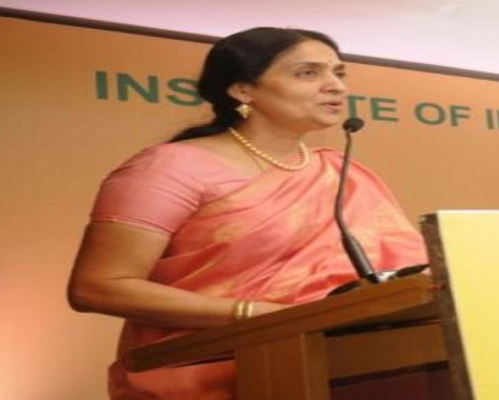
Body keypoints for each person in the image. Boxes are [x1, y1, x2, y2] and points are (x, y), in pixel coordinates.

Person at [67, 26, 428, 400]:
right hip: (210, 372)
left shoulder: (341, 171)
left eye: (339, 73)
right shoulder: (170, 167)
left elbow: (403, 272)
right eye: (308, 73)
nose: (336, 86)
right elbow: (98, 287)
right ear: (243, 90)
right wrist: (261, 314)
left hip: (350, 365)